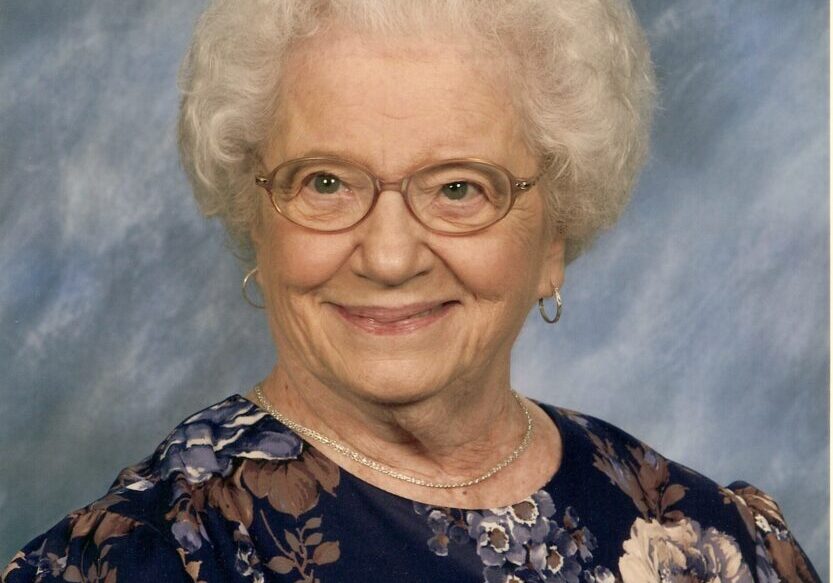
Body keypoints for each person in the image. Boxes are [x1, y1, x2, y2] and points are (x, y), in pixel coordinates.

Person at [2, 1, 820, 581]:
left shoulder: (707, 538)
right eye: (325, 181)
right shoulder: (147, 557)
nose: (388, 255)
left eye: (459, 188)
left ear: (554, 235)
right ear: (258, 218)